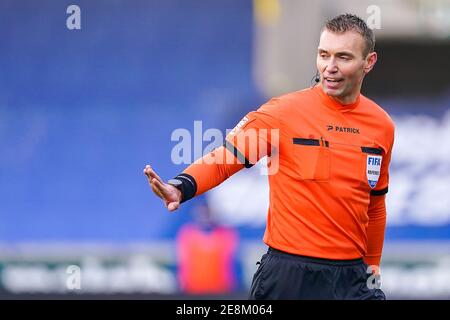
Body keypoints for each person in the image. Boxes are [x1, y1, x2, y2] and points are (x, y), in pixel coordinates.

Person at [144, 14, 394, 300]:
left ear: (369, 62)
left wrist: (372, 264)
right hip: (290, 276)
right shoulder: (282, 112)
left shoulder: (381, 125)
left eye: (343, 57)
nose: (330, 68)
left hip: (352, 279)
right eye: (323, 55)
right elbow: (226, 157)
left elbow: (375, 206)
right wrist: (181, 186)